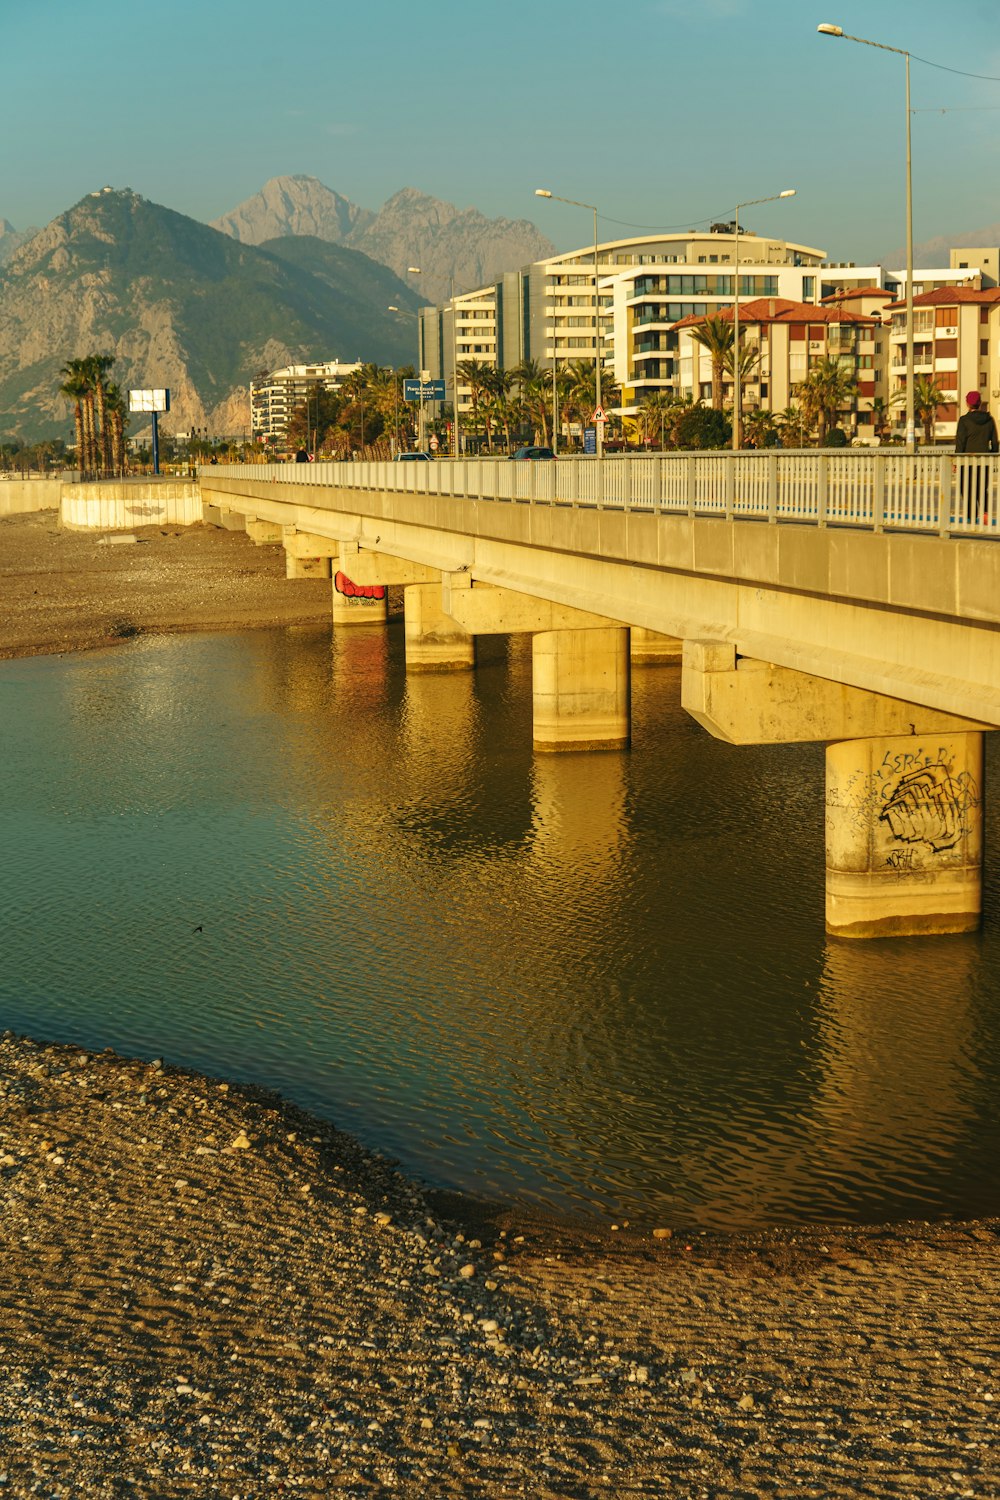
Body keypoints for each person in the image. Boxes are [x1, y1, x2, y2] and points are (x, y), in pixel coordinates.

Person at [954, 390, 998, 523]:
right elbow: (995, 444)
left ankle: (970, 517)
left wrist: (956, 461)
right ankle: (984, 513)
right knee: (982, 488)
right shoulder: (989, 420)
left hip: (966, 462)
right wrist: (989, 455)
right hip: (984, 462)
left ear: (967, 403)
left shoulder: (964, 420)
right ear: (979, 404)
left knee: (966, 490)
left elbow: (960, 443)